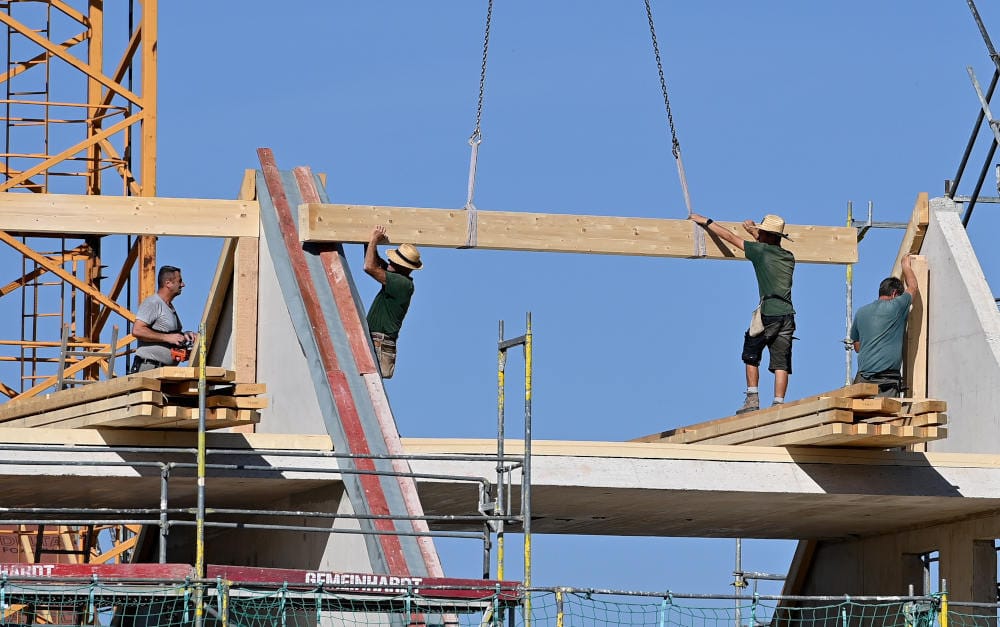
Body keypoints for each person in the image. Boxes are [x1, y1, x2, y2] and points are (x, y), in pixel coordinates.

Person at [689, 213, 796, 414]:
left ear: (767, 236)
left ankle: (752, 400)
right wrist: (755, 232)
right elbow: (768, 244)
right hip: (788, 315)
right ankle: (779, 404)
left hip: (769, 312)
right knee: (781, 362)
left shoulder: (760, 252)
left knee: (751, 354)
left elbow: (730, 237)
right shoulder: (788, 257)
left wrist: (706, 221)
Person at [849, 254, 919, 398]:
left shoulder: (861, 312)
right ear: (894, 294)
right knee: (885, 419)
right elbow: (913, 287)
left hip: (862, 380)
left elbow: (857, 347)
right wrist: (905, 265)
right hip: (885, 382)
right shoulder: (896, 306)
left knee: (861, 419)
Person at [364, 225, 422, 379]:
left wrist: (374, 240)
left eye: (393, 263)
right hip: (380, 342)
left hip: (380, 343)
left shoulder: (402, 284)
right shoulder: (398, 278)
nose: (388, 263)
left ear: (403, 268)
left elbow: (369, 267)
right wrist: (369, 243)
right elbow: (374, 261)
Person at [130, 265, 197, 373]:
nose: (183, 285)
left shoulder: (169, 307)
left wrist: (184, 336)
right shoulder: (153, 303)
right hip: (149, 369)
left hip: (164, 371)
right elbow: (137, 330)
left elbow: (170, 335)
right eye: (179, 281)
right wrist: (168, 338)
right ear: (168, 283)